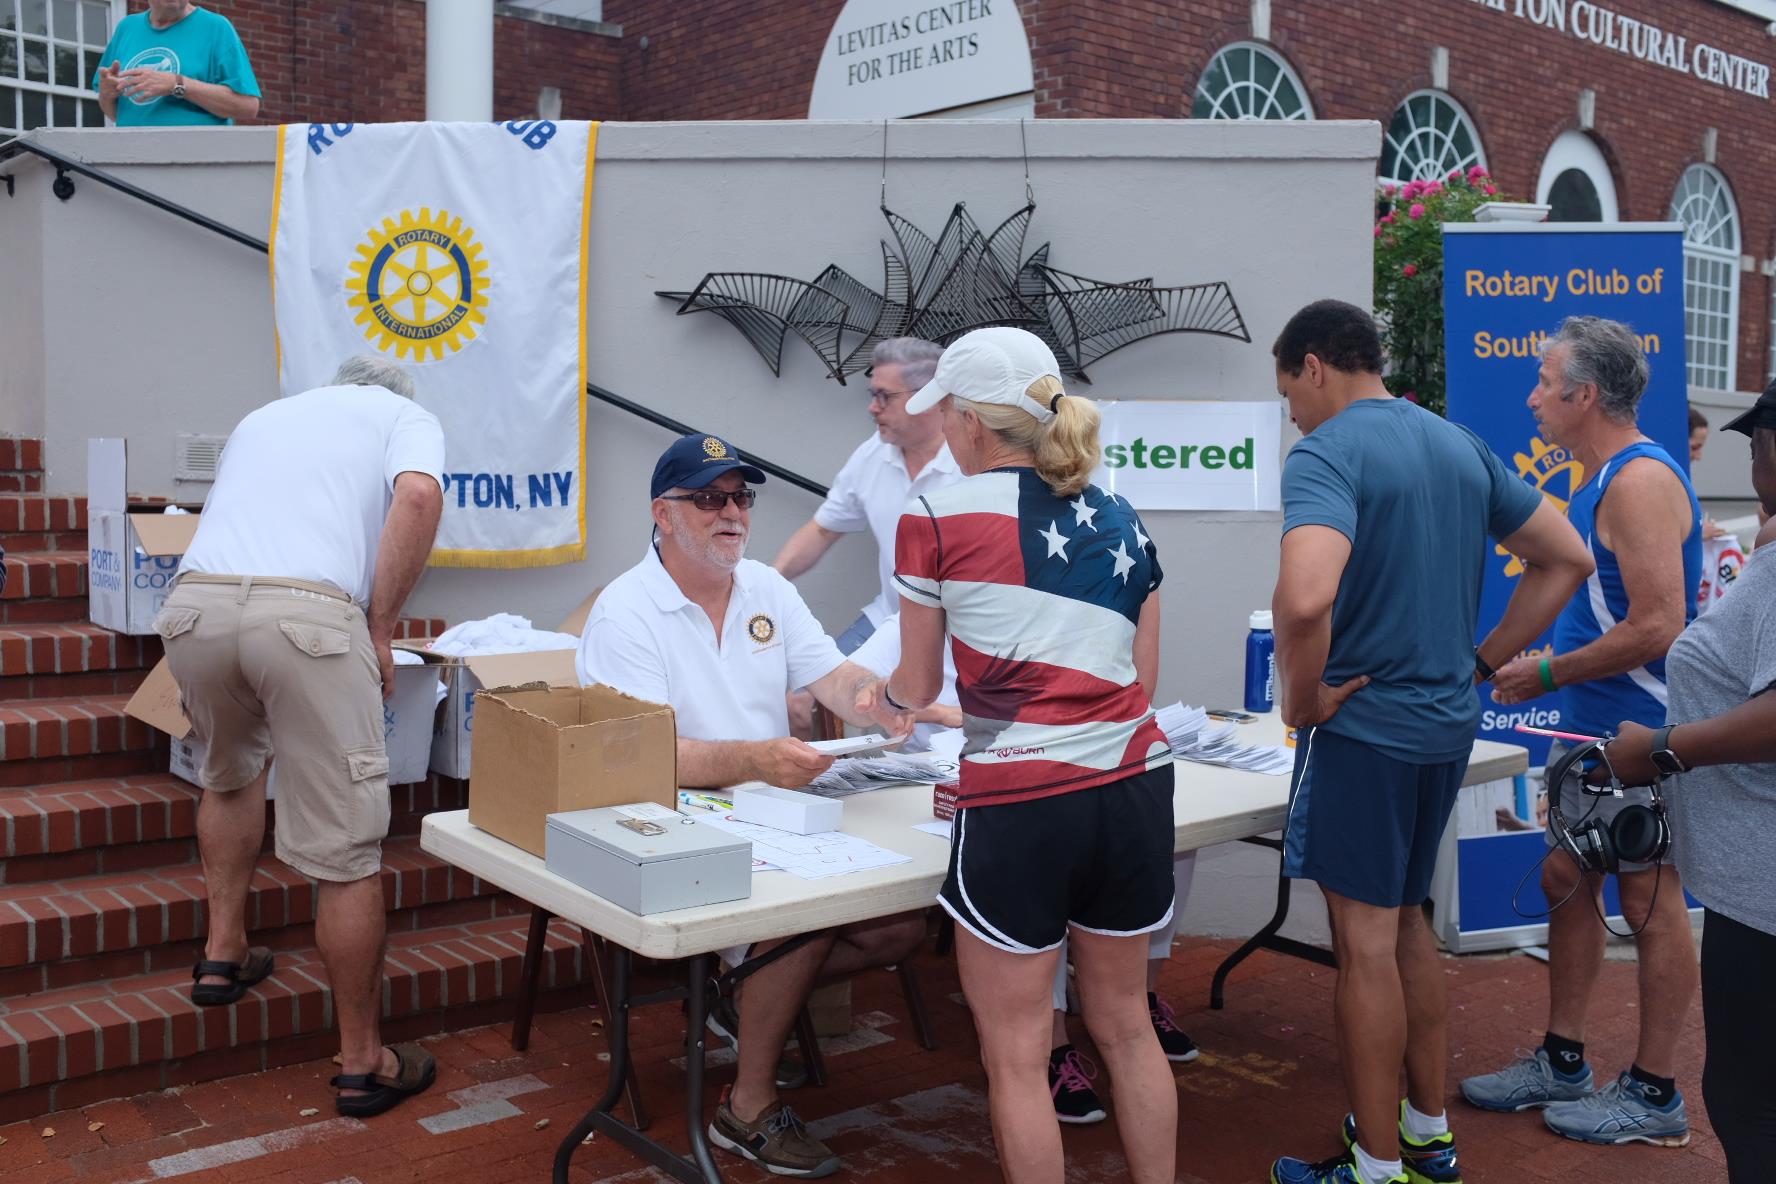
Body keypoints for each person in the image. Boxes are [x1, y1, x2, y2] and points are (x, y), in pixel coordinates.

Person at [1268, 300, 1591, 1184]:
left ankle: (1377, 1169)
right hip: (1444, 724)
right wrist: (1479, 663)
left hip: (1365, 729)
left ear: (1314, 367)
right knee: (1406, 919)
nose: (1292, 413)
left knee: (1366, 942)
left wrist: (1302, 698)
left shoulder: (1326, 452)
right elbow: (1566, 556)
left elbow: (1304, 598)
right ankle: (1426, 1134)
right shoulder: (1456, 443)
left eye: (1289, 391)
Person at [870, 326, 1179, 1184]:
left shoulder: (932, 515)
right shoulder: (1120, 512)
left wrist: (886, 701)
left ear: (971, 422)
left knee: (1014, 1055)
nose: (945, 429)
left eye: (948, 415)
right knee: (1127, 1026)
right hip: (1132, 781)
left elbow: (916, 680)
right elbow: (1142, 681)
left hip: (1021, 799)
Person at [576, 432, 925, 1180]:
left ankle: (735, 994)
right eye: (709, 499)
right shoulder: (625, 611)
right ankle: (747, 1108)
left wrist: (882, 701)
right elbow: (640, 757)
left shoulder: (765, 586)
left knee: (900, 922)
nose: (731, 513)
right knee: (797, 921)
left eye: (741, 497)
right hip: (664, 815)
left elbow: (832, 677)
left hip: (770, 807)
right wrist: (756, 759)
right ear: (663, 514)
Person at [156, 355, 445, 1117]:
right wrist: (380, 628)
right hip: (306, 616)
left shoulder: (265, 417)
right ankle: (364, 1062)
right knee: (346, 850)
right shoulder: (403, 414)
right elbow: (418, 496)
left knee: (228, 775)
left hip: (196, 609)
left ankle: (222, 955)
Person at [1467, 317, 1703, 1149]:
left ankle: (1656, 1092)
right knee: (1566, 878)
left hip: (1637, 732)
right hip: (1594, 731)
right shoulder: (1606, 478)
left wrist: (1547, 674)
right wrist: (1554, 669)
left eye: (1544, 382)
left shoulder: (1637, 481)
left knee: (1648, 899)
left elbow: (1661, 624)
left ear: (1585, 395)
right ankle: (1563, 1061)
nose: (1532, 397)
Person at [1580, 379, 1776, 1183]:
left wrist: (1661, 750)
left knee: (1749, 1100)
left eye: (1757, 445)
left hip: (1764, 892)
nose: (1754, 463)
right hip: (1752, 882)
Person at [774, 338, 960, 653]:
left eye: (883, 396)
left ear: (929, 398)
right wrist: (765, 584)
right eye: (873, 395)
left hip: (959, 638)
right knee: (820, 682)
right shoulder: (874, 452)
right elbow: (823, 529)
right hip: (889, 618)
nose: (872, 407)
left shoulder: (973, 463)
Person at [93, 1, 260, 128]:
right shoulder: (127, 27)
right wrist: (107, 95)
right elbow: (115, 113)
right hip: (132, 155)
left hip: (196, 157)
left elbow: (248, 106)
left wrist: (177, 84)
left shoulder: (216, 28)